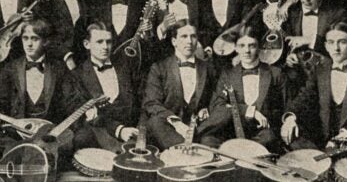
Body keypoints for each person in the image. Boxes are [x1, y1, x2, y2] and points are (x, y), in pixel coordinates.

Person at [0, 19, 90, 165]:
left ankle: (17, 154)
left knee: (81, 138)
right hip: (18, 132)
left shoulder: (58, 68)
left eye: (35, 39)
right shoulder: (11, 68)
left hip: (49, 132)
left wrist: (85, 112)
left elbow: (71, 100)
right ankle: (34, 153)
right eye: (25, 38)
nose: (29, 44)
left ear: (45, 42)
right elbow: (0, 102)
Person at [280, 22, 347, 150]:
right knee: (293, 136)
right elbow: (303, 98)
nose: (336, 48)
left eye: (342, 42)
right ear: (326, 46)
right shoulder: (319, 70)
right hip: (321, 138)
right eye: (331, 42)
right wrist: (290, 118)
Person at [203, 25, 287, 150]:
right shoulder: (227, 74)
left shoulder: (275, 73)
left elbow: (285, 106)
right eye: (242, 46)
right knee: (207, 141)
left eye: (252, 45)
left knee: (269, 139)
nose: (246, 51)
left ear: (259, 47)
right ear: (236, 48)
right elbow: (217, 106)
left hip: (262, 134)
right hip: (232, 132)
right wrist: (249, 111)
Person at [142, 21, 218, 150]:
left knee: (212, 145)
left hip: (198, 129)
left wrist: (206, 109)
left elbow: (216, 99)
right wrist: (176, 122)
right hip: (169, 128)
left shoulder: (208, 68)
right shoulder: (159, 68)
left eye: (193, 36)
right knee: (155, 122)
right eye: (184, 36)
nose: (189, 41)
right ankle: (183, 153)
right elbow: (151, 103)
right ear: (174, 41)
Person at [72, 21, 141, 152]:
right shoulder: (77, 75)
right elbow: (87, 117)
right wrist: (119, 130)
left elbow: (140, 101)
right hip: (101, 130)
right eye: (99, 42)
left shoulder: (126, 67)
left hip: (131, 130)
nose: (105, 47)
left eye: (108, 42)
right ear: (87, 44)